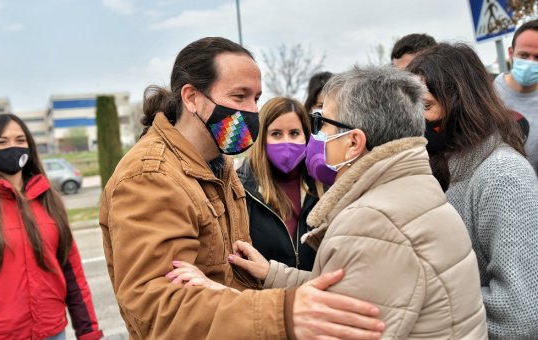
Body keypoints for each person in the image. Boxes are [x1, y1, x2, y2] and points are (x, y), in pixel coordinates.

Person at [169, 65, 488, 339]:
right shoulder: (414, 192)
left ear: (353, 142)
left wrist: (226, 298)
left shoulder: (374, 220)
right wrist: (272, 274)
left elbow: (335, 325)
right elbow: (351, 290)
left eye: (323, 124)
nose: (315, 136)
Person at [99, 37, 385, 339]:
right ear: (192, 97)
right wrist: (281, 313)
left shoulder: (218, 165)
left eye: (256, 99)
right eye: (239, 97)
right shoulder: (151, 176)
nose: (251, 111)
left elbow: (230, 278)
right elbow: (159, 310)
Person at [407, 42, 538, 339]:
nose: (415, 120)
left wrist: (418, 309)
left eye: (425, 106)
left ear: (461, 102)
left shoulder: (503, 175)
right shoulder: (443, 167)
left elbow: (521, 314)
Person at [0, 114, 103, 339]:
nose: (13, 147)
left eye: (20, 140)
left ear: (30, 146)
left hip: (52, 332)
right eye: (2, 142)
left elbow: (72, 273)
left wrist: (89, 332)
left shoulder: (49, 200)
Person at [237, 97, 317, 271]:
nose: (286, 142)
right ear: (262, 136)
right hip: (263, 297)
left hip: (315, 294)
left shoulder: (322, 186)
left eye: (294, 133)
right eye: (276, 134)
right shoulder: (241, 188)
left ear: (307, 135)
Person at [493, 19, 538, 173]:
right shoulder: (488, 94)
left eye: (537, 57)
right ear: (511, 53)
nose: (531, 62)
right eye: (524, 55)